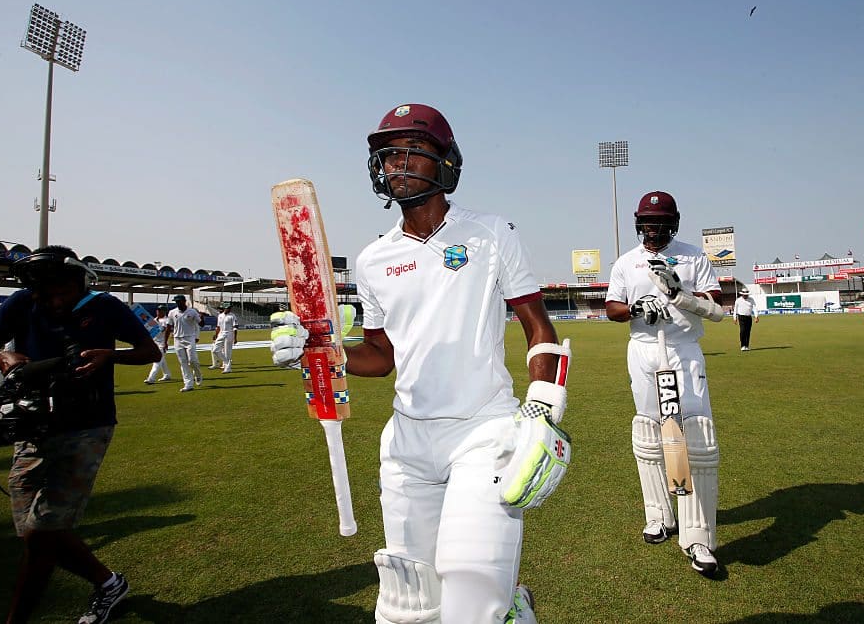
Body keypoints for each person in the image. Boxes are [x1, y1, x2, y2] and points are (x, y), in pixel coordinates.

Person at [272, 104, 571, 623]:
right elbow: (380, 358)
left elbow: (539, 329)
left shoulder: (491, 232)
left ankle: (507, 610)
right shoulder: (373, 259)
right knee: (407, 609)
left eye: (413, 152)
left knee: (473, 603)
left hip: (483, 432)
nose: (397, 165)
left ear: (446, 163)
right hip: (407, 446)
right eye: (389, 155)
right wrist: (318, 351)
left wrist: (542, 412)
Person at [0, 245, 160, 624]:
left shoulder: (104, 305)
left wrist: (109, 355)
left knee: (43, 531)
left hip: (88, 424)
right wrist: (0, 358)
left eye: (63, 292)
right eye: (45, 294)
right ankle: (108, 583)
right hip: (31, 427)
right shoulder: (20, 303)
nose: (54, 301)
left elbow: (149, 350)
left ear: (80, 280)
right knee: (33, 532)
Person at [604, 190, 725, 577]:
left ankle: (698, 536)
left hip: (683, 350)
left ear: (672, 223)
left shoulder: (694, 256)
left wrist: (680, 295)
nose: (651, 230)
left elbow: (717, 307)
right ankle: (658, 515)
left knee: (695, 437)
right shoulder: (626, 262)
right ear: (638, 223)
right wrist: (635, 309)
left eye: (658, 223)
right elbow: (612, 307)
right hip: (643, 351)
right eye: (646, 223)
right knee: (649, 432)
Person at [166, 294, 203, 392]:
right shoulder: (172, 312)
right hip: (177, 339)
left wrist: (202, 318)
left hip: (190, 338)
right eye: (176, 302)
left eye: (179, 301)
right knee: (183, 363)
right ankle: (188, 384)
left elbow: (201, 324)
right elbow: (168, 327)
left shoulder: (192, 311)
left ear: (184, 301)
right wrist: (166, 342)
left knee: (193, 361)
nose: (178, 303)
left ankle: (198, 374)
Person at [143, 305, 173, 383]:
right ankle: (167, 375)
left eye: (160, 310)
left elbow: (167, 331)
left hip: (162, 343)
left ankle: (151, 378)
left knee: (157, 360)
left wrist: (165, 343)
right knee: (161, 360)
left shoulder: (167, 320)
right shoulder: (154, 320)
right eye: (157, 310)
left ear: (164, 311)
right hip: (154, 342)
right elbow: (149, 330)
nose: (158, 311)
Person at [210, 302, 238, 373]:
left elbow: (235, 327)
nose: (229, 309)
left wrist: (235, 338)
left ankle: (227, 368)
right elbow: (218, 327)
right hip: (221, 334)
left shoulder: (232, 316)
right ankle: (227, 363)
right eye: (228, 308)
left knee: (227, 352)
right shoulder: (220, 316)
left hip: (229, 334)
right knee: (215, 350)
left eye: (230, 308)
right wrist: (216, 335)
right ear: (225, 308)